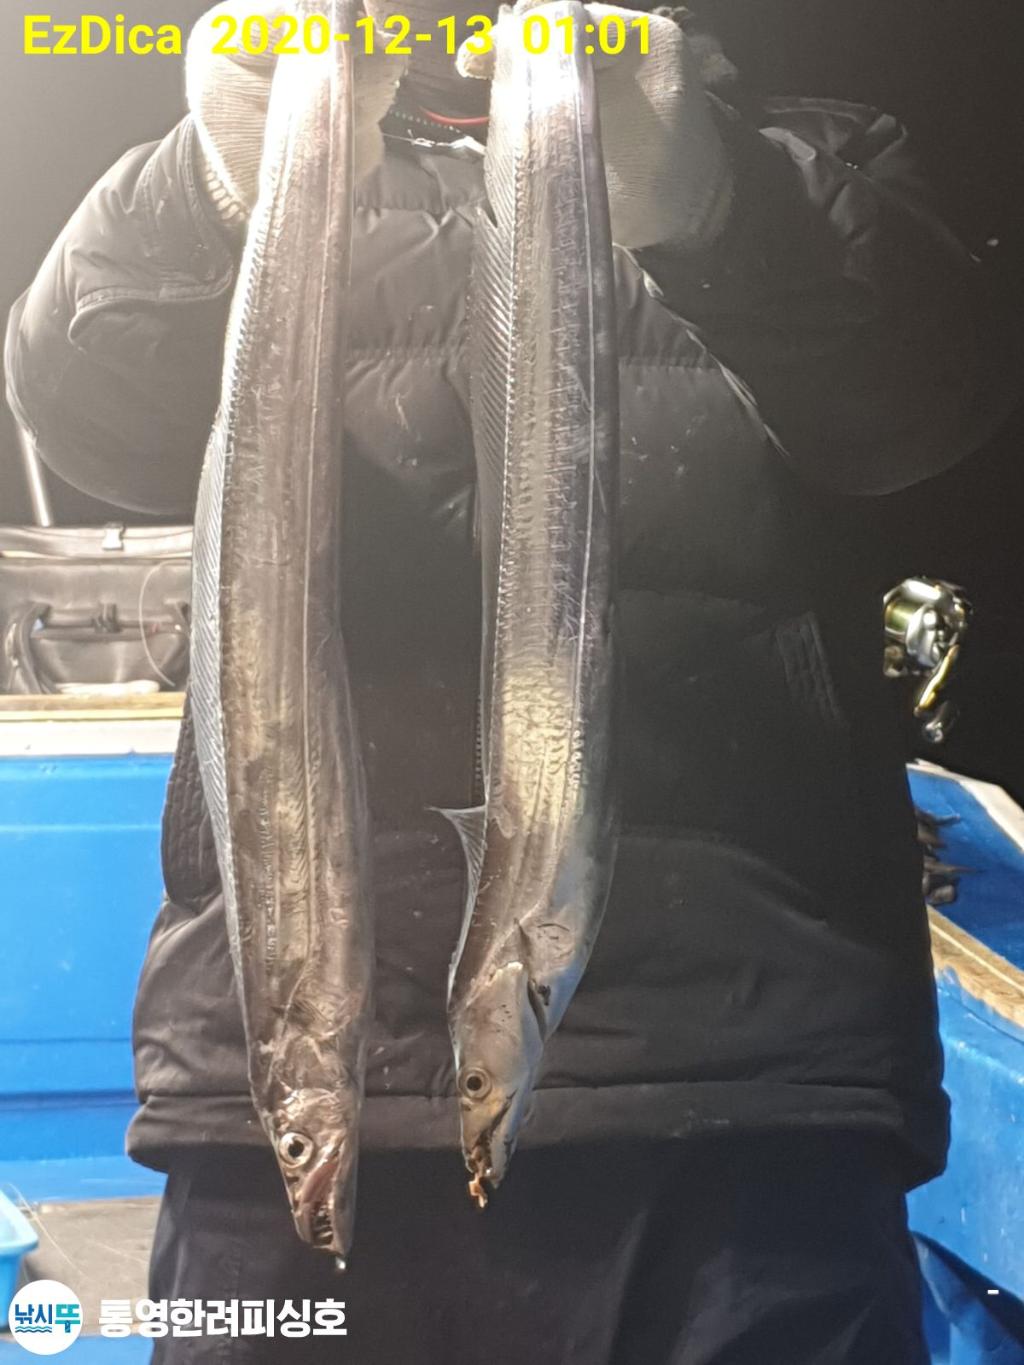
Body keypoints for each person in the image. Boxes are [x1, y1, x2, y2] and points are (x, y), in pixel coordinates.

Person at [5, 1, 1015, 1359]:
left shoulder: (816, 161)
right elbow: (83, 413)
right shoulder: (288, 155)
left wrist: (714, 198)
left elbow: (926, 410)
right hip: (293, 1089)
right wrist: (209, 182)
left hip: (750, 1098)